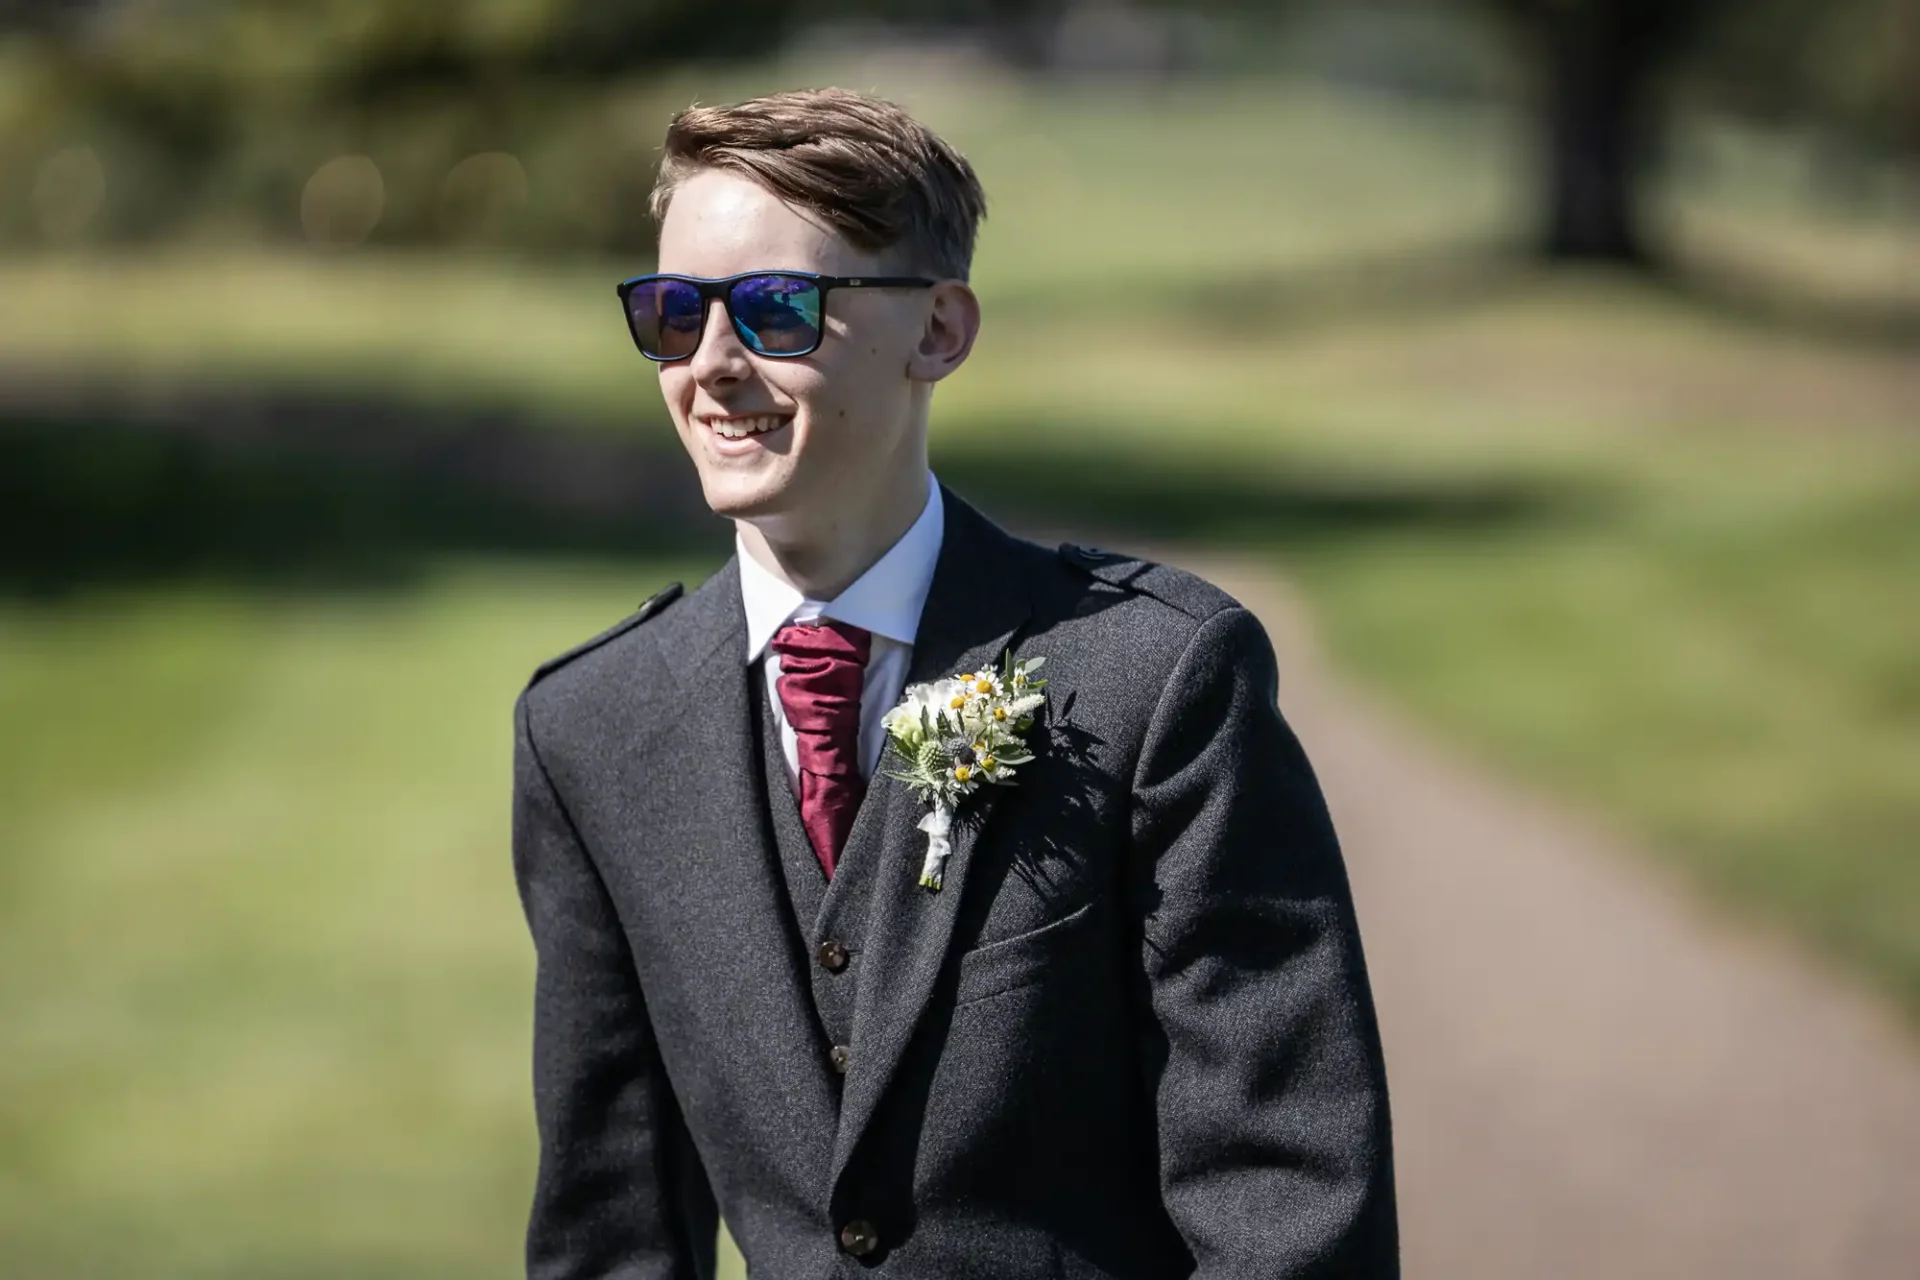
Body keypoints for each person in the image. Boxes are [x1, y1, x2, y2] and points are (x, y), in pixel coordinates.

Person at [511, 86, 1397, 1280]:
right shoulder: (591, 729)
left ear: (939, 330)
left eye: (778, 310)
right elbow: (610, 1230)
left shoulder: (1158, 679)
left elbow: (1286, 1200)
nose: (711, 364)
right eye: (674, 313)